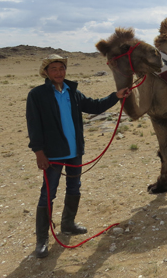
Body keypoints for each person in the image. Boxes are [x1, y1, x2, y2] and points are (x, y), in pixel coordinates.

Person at [26, 54, 129, 258]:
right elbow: (34, 125)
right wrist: (39, 153)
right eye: (54, 69)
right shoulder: (37, 95)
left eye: (61, 68)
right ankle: (42, 240)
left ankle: (68, 224)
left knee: (74, 187)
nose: (59, 72)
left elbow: (94, 106)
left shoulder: (72, 92)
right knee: (48, 193)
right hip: (53, 154)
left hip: (74, 152)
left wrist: (116, 96)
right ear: (46, 72)